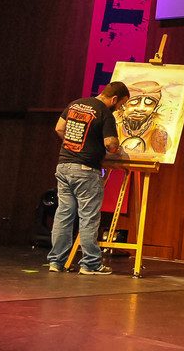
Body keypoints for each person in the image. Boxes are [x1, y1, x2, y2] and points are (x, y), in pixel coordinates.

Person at [46, 81, 129, 275]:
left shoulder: (75, 104)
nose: (120, 109)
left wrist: (74, 146)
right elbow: (111, 145)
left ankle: (56, 262)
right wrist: (119, 149)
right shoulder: (105, 113)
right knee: (88, 218)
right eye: (121, 104)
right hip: (86, 170)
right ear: (114, 99)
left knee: (64, 215)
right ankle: (90, 264)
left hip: (64, 166)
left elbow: (59, 128)